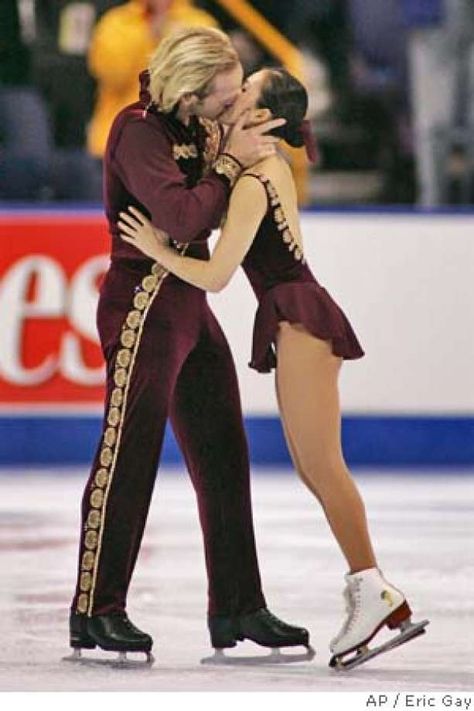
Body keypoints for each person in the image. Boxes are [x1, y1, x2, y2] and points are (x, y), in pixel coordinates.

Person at [118, 67, 429, 669]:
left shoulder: (258, 176)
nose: (232, 100)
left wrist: (155, 249)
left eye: (244, 95)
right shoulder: (256, 165)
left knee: (323, 466)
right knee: (313, 470)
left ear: (264, 118)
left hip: (302, 321)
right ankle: (372, 591)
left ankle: (374, 590)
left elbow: (215, 275)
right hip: (293, 320)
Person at [69, 27, 312, 664]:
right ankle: (96, 608)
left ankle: (238, 604)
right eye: (223, 97)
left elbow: (210, 216)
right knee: (129, 454)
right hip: (143, 301)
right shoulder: (138, 131)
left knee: (225, 455)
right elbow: (182, 219)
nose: (231, 108)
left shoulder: (200, 126)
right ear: (191, 91)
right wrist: (229, 165)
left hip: (187, 304)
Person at [86, 0, 219, 159]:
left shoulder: (200, 24)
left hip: (181, 147)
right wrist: (149, 35)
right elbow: (112, 76)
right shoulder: (116, 23)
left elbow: (207, 84)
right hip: (120, 143)